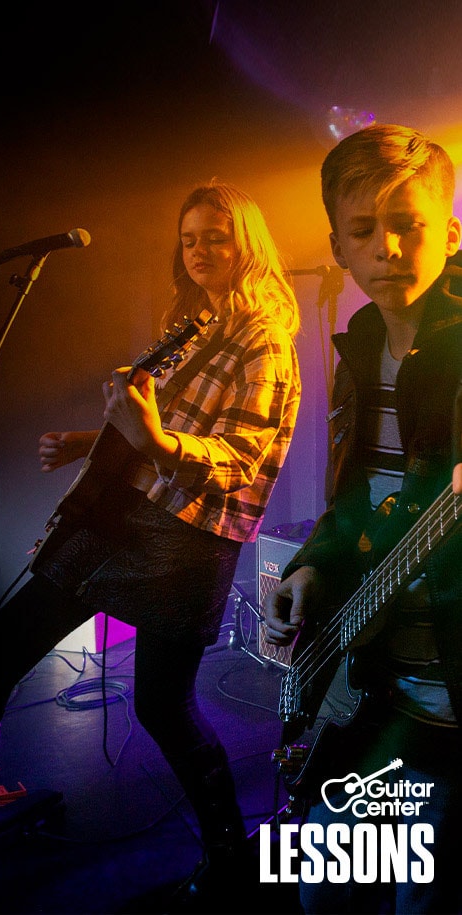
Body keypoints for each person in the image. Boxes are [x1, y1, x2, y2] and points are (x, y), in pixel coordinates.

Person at [0, 179, 301, 913]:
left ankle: (230, 853)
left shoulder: (263, 335)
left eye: (215, 237)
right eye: (189, 236)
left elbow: (245, 457)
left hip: (181, 542)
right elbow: (154, 427)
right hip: (122, 522)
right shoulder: (195, 322)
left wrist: (153, 438)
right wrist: (91, 441)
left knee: (162, 707)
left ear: (247, 245)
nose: (199, 249)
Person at [263, 123, 462, 914]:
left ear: (449, 229)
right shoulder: (361, 346)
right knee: (323, 894)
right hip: (372, 678)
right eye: (363, 230)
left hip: (449, 694)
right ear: (339, 248)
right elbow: (353, 501)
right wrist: (312, 562)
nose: (387, 246)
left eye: (409, 224)